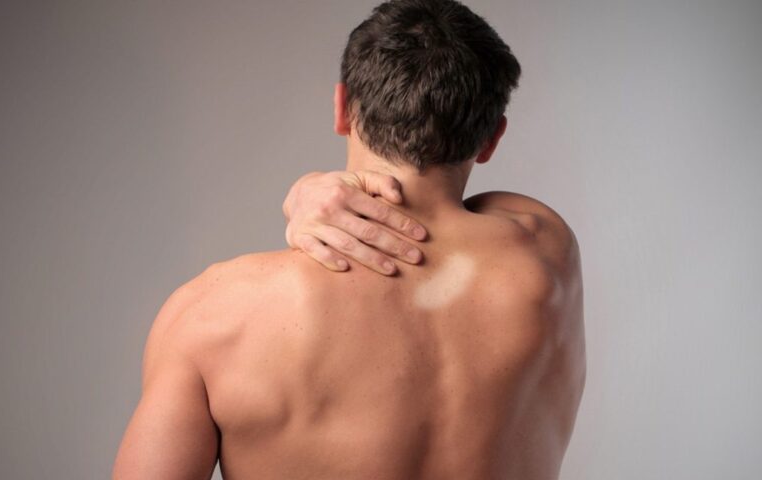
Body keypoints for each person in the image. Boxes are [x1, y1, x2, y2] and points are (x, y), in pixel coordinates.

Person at [113, 0, 586, 478]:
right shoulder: (547, 255)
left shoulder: (212, 315)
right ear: (492, 139)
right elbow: (498, 213)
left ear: (342, 108)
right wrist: (309, 188)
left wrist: (304, 187)